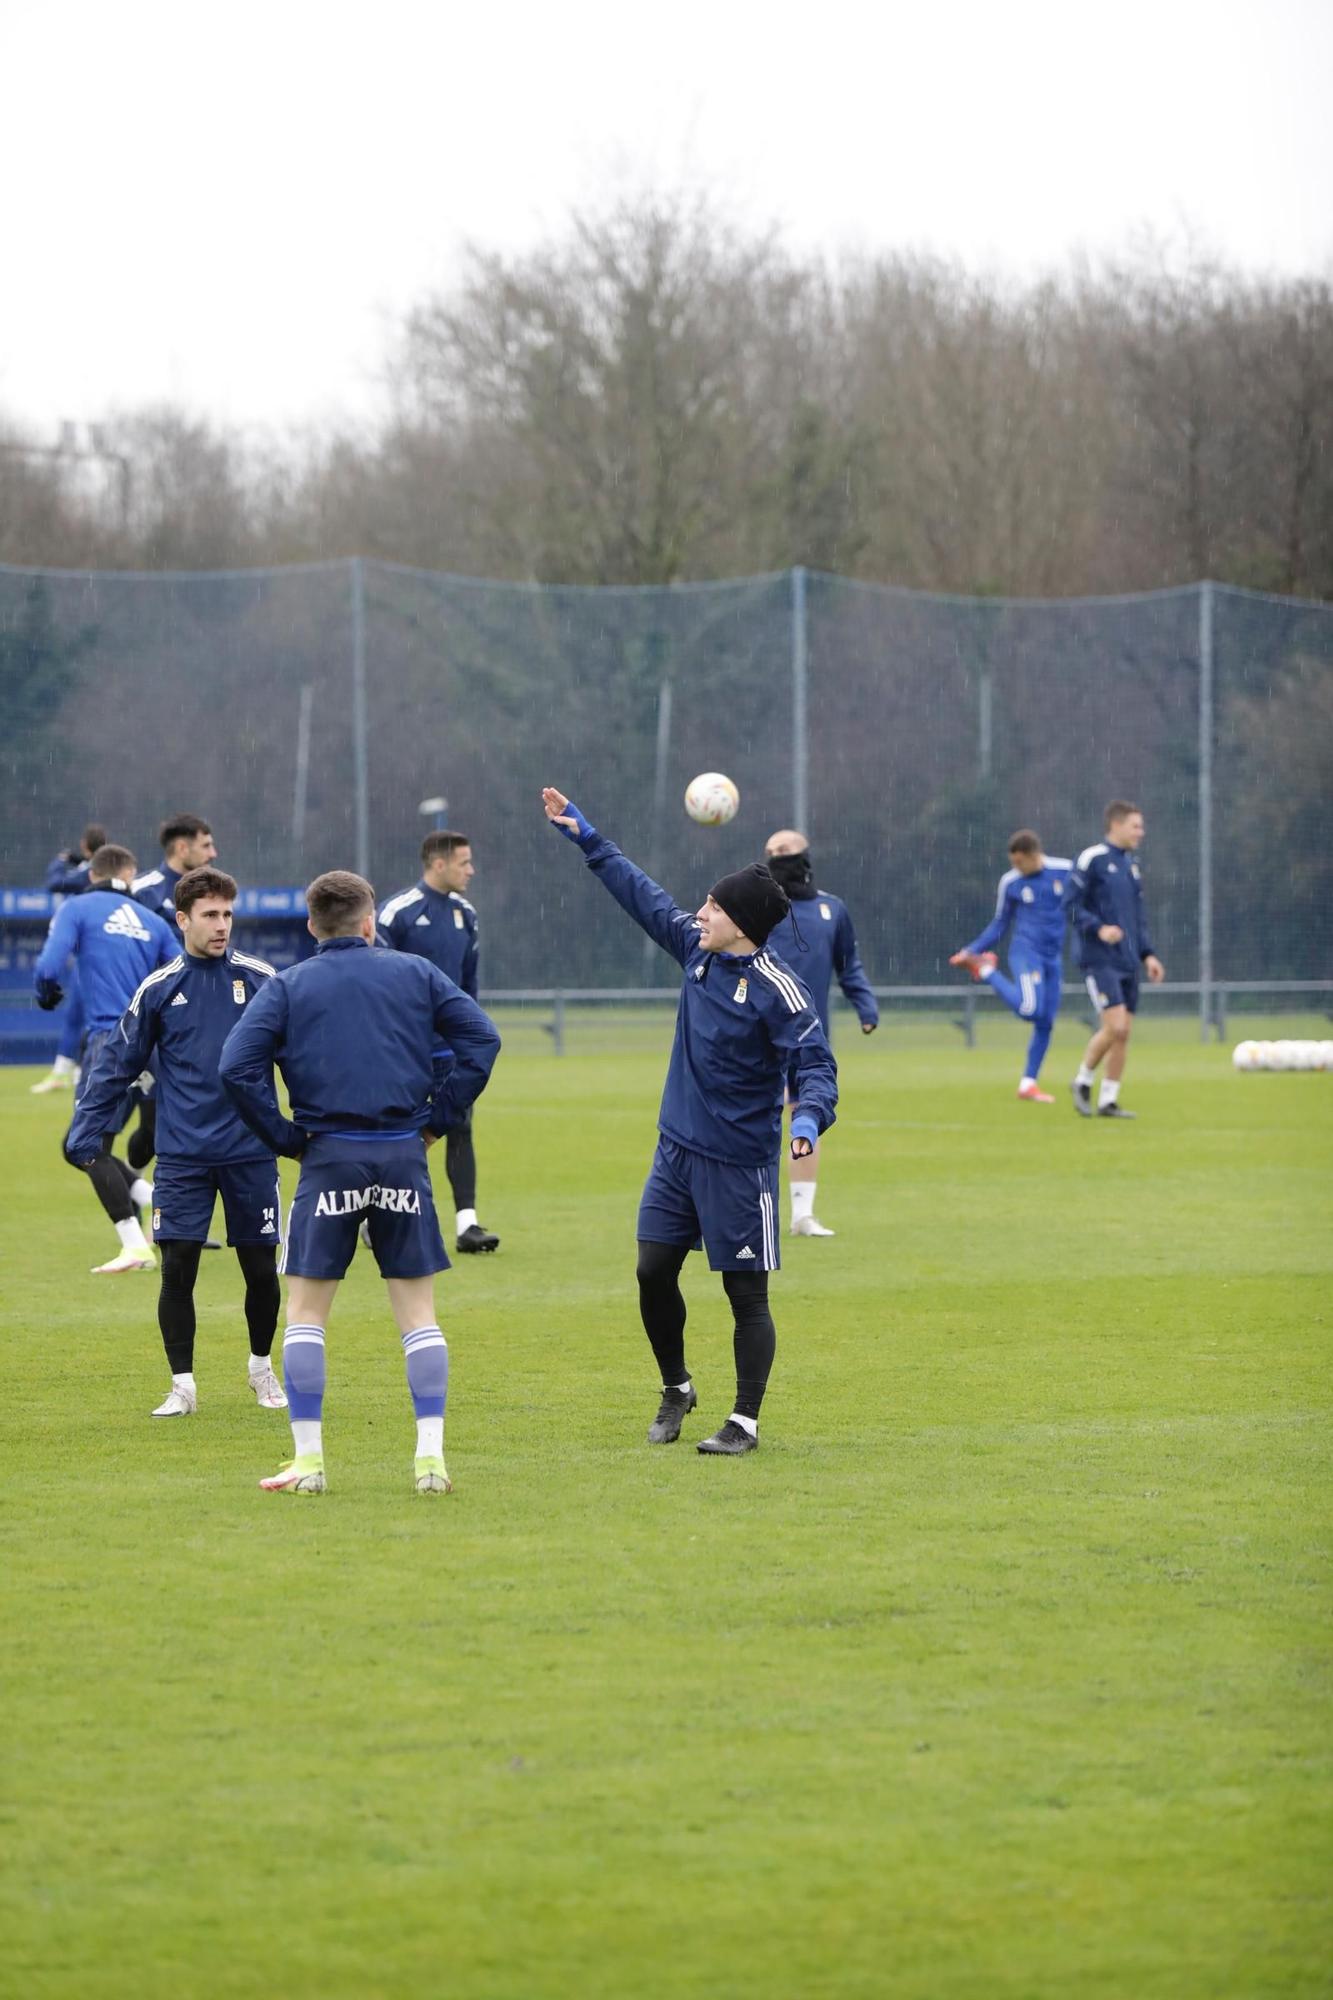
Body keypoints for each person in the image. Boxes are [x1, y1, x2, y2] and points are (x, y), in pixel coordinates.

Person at [542, 787, 838, 1457]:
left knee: (744, 1293)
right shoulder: (696, 952)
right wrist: (588, 837)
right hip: (674, 1151)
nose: (698, 911)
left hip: (738, 1164)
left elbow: (816, 1063)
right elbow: (640, 893)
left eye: (712, 905)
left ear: (742, 922)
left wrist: (810, 1119)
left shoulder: (776, 989)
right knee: (651, 1271)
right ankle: (676, 1386)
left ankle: (745, 1421)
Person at [219, 869, 501, 1497]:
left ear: (313, 927)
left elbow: (236, 1069)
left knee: (306, 1315)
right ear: (370, 923)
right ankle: (431, 1461)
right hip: (402, 1155)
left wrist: (287, 1137)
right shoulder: (415, 973)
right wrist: (438, 1120)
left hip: (328, 1158)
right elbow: (483, 1038)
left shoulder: (289, 986)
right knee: (418, 1314)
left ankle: (310, 1462)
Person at [65, 867, 288, 1419]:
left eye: (227, 914)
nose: (221, 926)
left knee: (260, 1270)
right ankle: (183, 1386)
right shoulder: (160, 988)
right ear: (182, 919)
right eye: (210, 915)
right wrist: (85, 1128)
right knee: (177, 1269)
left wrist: (310, 1125)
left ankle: (261, 1368)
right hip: (184, 1157)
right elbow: (117, 1064)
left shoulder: (263, 979)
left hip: (250, 1152)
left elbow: (300, 1056)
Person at [35, 845, 177, 1273]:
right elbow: (178, 976)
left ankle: (135, 1243)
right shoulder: (153, 921)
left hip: (109, 1042)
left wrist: (47, 994)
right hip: (153, 1045)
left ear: (93, 874)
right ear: (129, 875)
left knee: (84, 1146)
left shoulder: (79, 907)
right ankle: (152, 1199)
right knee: (93, 1144)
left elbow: (48, 966)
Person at [376, 830, 499, 1254]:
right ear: (438, 863)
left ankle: (468, 1225)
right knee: (395, 1130)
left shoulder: (467, 914)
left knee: (460, 1127)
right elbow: (377, 979)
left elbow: (469, 986)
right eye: (464, 862)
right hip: (403, 1050)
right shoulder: (397, 913)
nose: (472, 870)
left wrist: (470, 1035)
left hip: (449, 1051)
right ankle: (376, 1216)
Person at [762, 828, 878, 1236]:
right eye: (772, 853)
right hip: (757, 1034)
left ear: (805, 855)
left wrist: (866, 1006)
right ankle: (743, 1210)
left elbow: (849, 966)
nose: (780, 858)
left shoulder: (832, 909)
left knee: (805, 1117)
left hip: (810, 1036)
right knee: (755, 1120)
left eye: (787, 851)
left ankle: (801, 1215)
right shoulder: (758, 908)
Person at [949, 830, 1073, 1103]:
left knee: (1045, 1022)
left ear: (1033, 855)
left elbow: (1086, 901)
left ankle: (1028, 1084)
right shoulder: (1011, 882)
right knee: (1029, 1008)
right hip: (1025, 953)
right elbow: (1000, 923)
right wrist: (972, 951)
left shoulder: (1065, 871)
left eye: (1019, 863)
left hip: (1053, 958)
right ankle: (985, 969)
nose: (1015, 868)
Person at [129, 814, 219, 1173]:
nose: (214, 853)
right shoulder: (143, 890)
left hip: (196, 1023)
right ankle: (131, 1201)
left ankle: (151, 1206)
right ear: (183, 848)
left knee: (175, 1125)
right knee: (138, 1127)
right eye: (206, 845)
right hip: (148, 1023)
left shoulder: (212, 893)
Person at [1066, 801, 1165, 1118]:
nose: (1141, 832)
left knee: (1124, 1032)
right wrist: (1098, 929)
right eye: (1136, 826)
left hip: (1128, 961)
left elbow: (1138, 919)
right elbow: (1069, 906)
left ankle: (1108, 1100)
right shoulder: (1092, 859)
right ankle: (1082, 1080)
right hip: (1099, 958)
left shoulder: (1130, 866)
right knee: (1114, 1025)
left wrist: (1148, 954)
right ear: (1117, 825)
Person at [31, 823, 107, 1096]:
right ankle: (76, 1069)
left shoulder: (86, 874)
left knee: (80, 1013)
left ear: (86, 847)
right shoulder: (106, 871)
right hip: (109, 946)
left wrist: (60, 860)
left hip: (90, 949)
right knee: (87, 1013)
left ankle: (71, 1071)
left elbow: (54, 883)